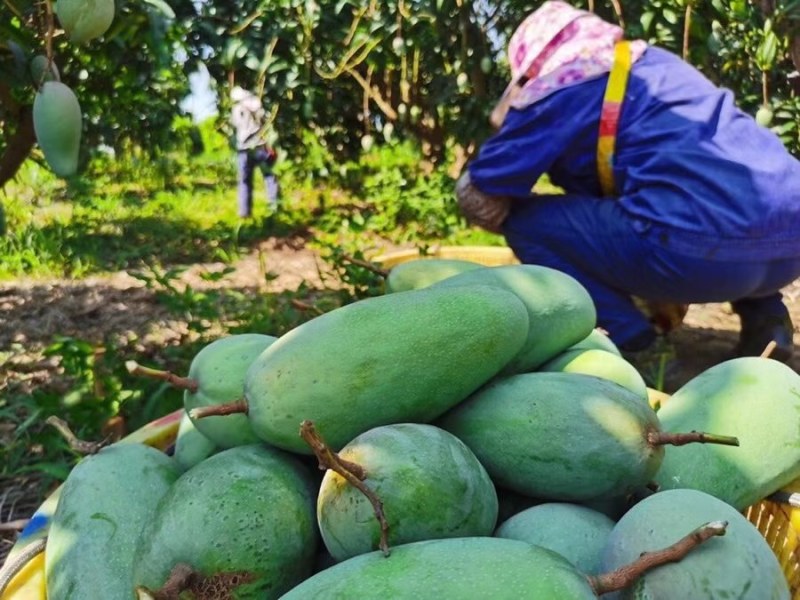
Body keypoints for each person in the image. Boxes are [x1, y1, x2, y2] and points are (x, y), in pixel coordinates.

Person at [456, 1, 800, 385]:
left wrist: (510, 117)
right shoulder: (659, 65)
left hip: (701, 254)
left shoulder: (564, 83)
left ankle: (636, 346)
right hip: (789, 248)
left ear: (534, 66)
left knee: (527, 225)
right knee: (731, 200)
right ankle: (769, 327)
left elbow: (480, 191)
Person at [230, 86, 279, 218]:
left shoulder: (236, 109)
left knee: (245, 181)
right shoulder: (257, 106)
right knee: (269, 176)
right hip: (260, 147)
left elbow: (234, 125)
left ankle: (244, 213)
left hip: (244, 150)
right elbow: (266, 124)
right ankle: (273, 207)